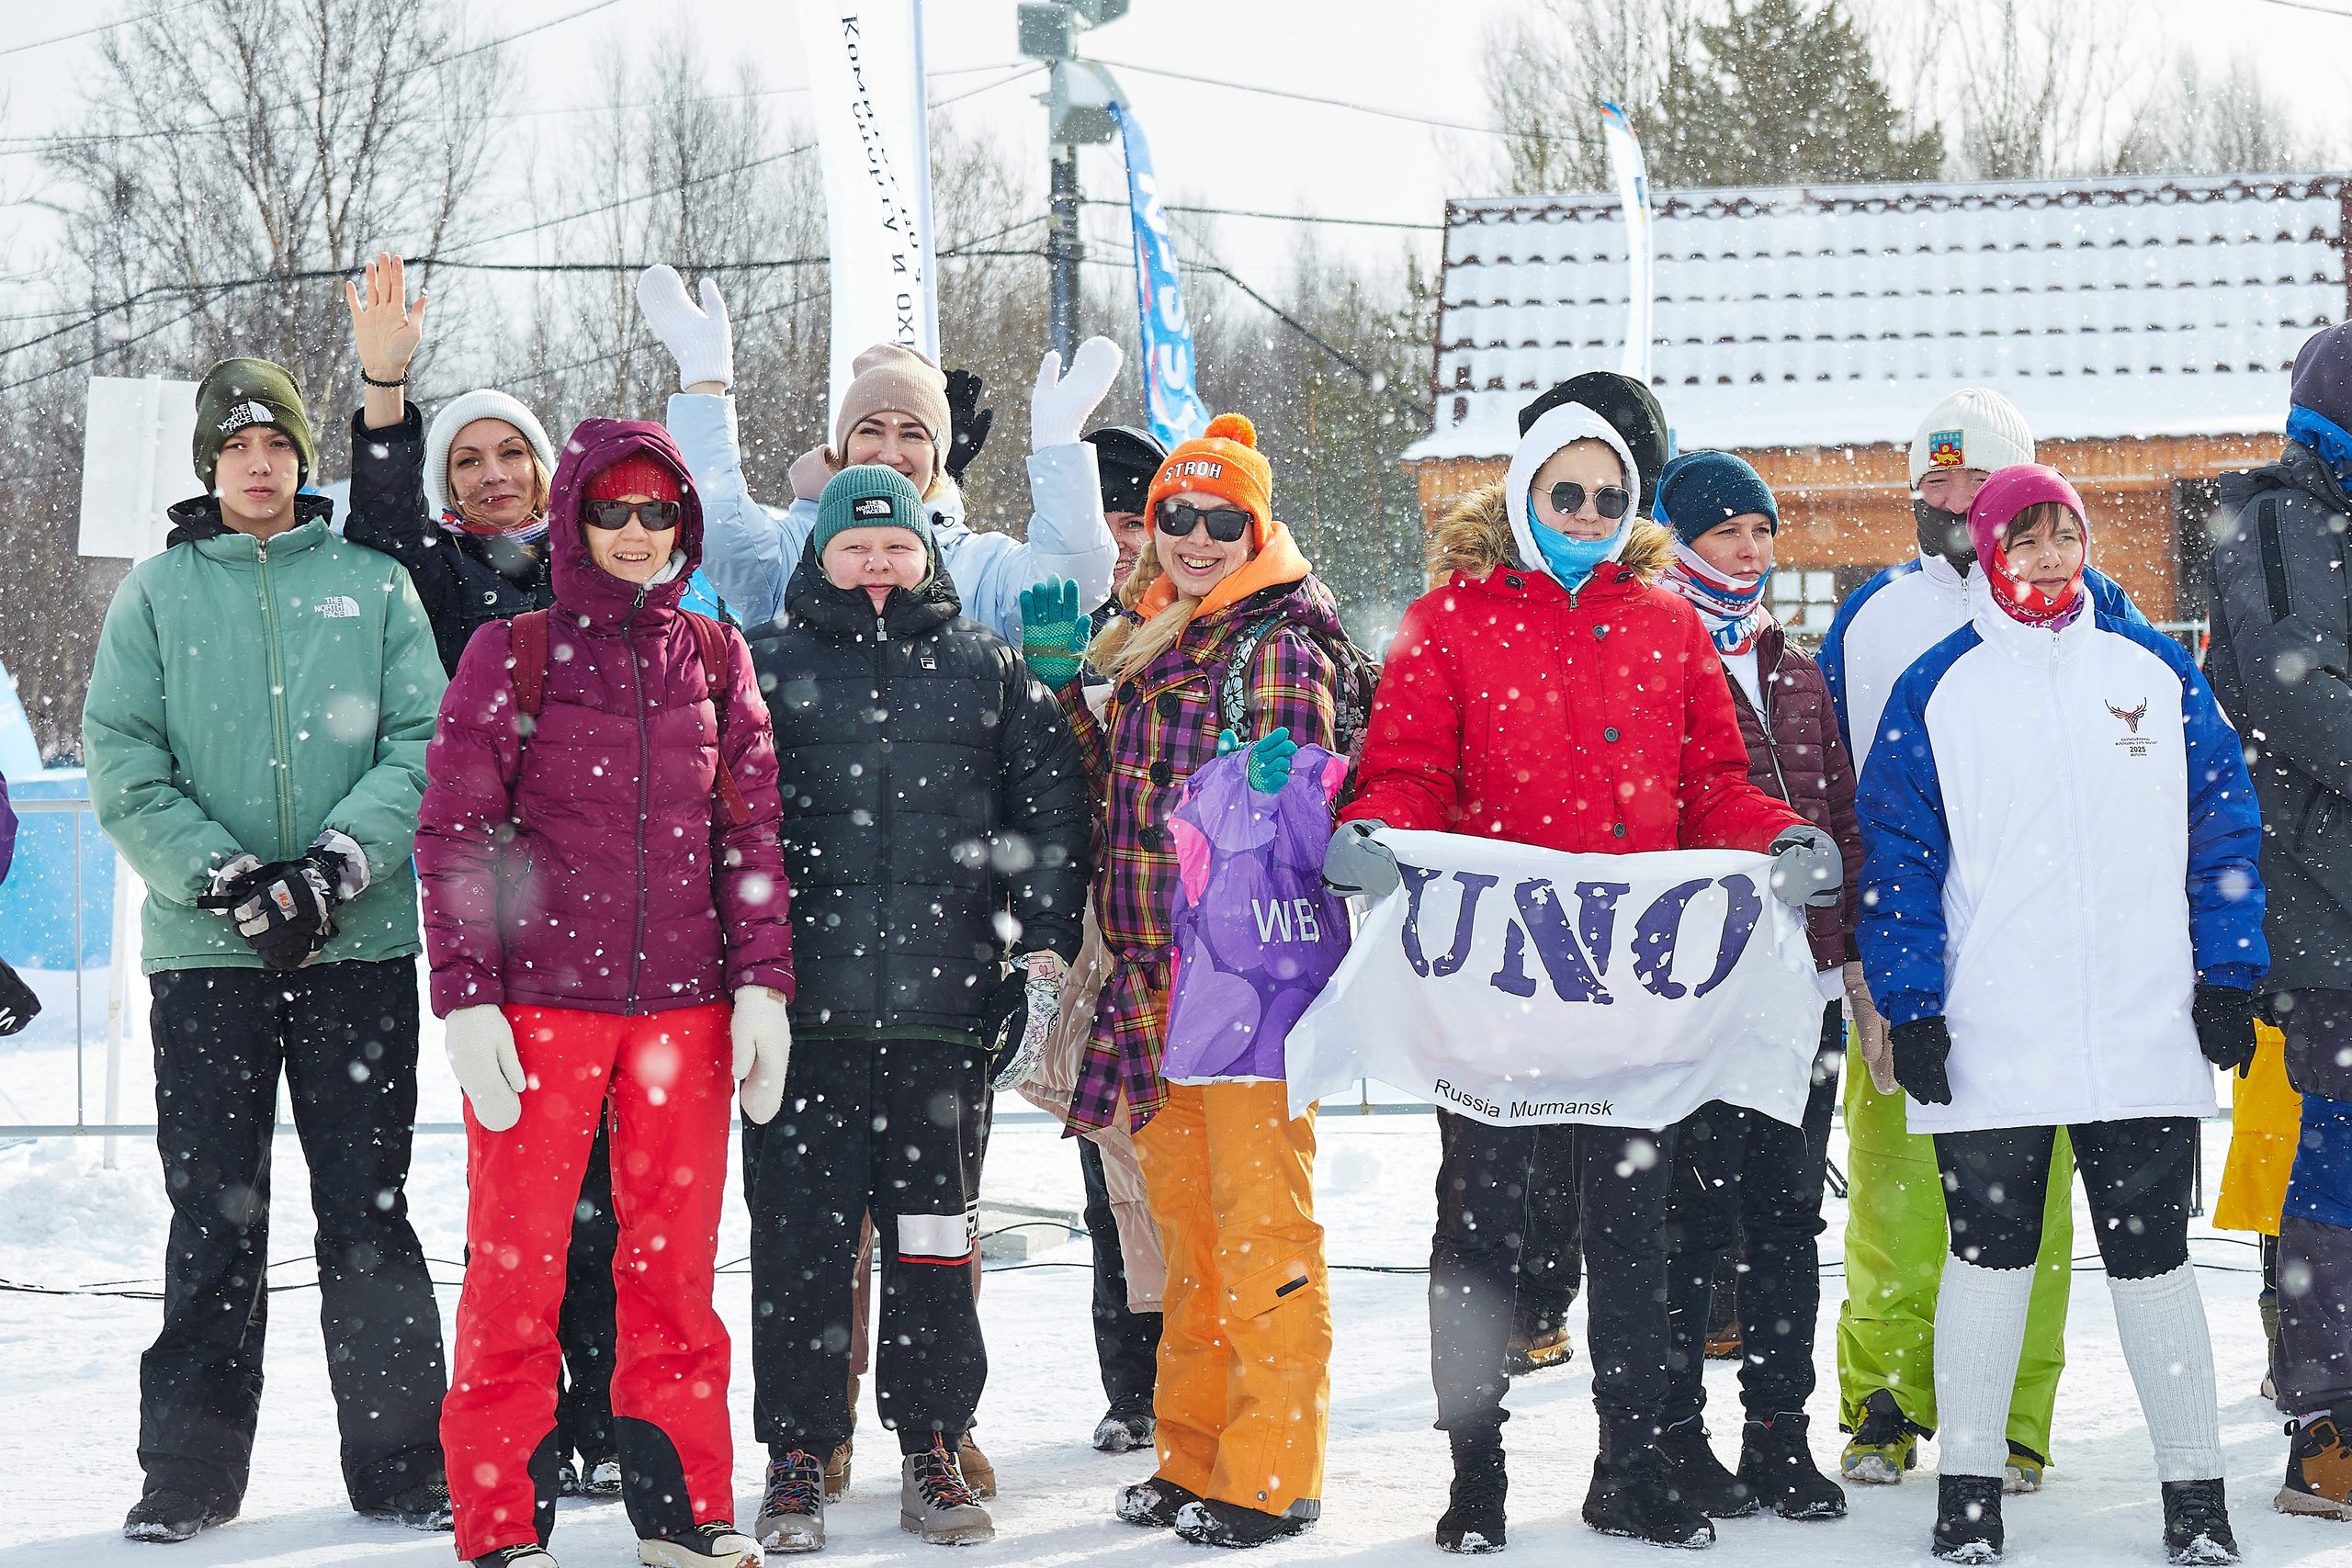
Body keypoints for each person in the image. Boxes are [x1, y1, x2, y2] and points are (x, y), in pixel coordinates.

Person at [1322, 389, 1834, 1553]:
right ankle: (1477, 1470)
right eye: (1567, 494)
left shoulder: (1665, 628)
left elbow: (1714, 785)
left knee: (1635, 1233)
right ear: (1523, 495)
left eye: (1609, 499)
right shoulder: (1447, 622)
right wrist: (1376, 832)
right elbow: (1407, 770)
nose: (1589, 513)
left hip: (1627, 989)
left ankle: (1631, 1462)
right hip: (1495, 983)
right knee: (1483, 1229)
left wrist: (1773, 838)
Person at [1858, 464, 2263, 1564]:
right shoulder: (1937, 687)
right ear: (1984, 550)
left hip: (2141, 1025)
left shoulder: (2153, 672)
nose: (2047, 559)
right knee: (1988, 1264)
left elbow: (2222, 830)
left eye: (2064, 538)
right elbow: (1897, 862)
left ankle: (2195, 1501)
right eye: (2023, 540)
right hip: (1996, 1030)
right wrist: (1915, 1006)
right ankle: (1969, 1496)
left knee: (2153, 1264)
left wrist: (2228, 974)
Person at [82, 358, 454, 1544]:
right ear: (209, 463)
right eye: (237, 445)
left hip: (357, 946)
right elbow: (123, 760)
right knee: (214, 1213)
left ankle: (401, 1458)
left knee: (367, 1210)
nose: (259, 462)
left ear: (304, 458)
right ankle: (187, 1468)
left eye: (278, 443)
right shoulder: (154, 595)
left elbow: (422, 738)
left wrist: (338, 863)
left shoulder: (374, 584)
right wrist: (233, 878)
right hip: (208, 956)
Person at [419, 417, 793, 1568]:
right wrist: (467, 991)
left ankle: (683, 1511)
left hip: (682, 1008)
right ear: (574, 516)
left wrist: (762, 987)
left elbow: (752, 834)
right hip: (543, 1009)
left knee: (673, 1271)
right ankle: (497, 1521)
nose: (636, 534)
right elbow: (457, 831)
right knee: (515, 1268)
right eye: (612, 510)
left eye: (658, 513)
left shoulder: (717, 658)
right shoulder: (511, 652)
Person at [740, 464, 1089, 1554]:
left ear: (927, 555)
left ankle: (934, 1444)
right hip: (804, 1024)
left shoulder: (985, 672)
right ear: (821, 556)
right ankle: (799, 1454)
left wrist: (1038, 949)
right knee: (799, 1248)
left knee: (935, 1247)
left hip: (943, 1019)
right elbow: (724, 826)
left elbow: (1050, 810)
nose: (876, 564)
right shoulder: (764, 667)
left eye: (895, 547)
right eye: (855, 546)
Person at [1016, 412, 1344, 1549]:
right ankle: (1193, 1456)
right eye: (1177, 519)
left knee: (1262, 1238)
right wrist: (1069, 691)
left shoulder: (1276, 641)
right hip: (1153, 983)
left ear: (1253, 528)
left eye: (1221, 521)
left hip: (1244, 987)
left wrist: (1271, 776)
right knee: (1192, 1245)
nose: (1197, 538)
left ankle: (1270, 1471)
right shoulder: (1158, 633)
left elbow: (1288, 824)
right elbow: (1123, 797)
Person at [342, 251, 636, 1501]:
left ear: (546, 467)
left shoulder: (601, 566)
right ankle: (529, 1411)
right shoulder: (434, 581)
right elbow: (380, 517)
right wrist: (389, 392)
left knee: (620, 1184)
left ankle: (611, 1409)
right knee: (525, 1177)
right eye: (469, 461)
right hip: (494, 918)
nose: (493, 474)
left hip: (618, 908)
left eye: (508, 452)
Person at [1816, 388, 2148, 1491]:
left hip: (2044, 960)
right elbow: (1829, 788)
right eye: (1933, 483)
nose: (1952, 502)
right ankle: (1884, 1402)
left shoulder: (2095, 603)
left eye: (1972, 480)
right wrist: (1860, 957)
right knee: (1895, 1192)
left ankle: (2013, 1414)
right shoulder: (1870, 616)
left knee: (2030, 1208)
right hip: (1907, 953)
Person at [1642, 451, 1862, 1524]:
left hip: (1804, 988)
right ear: (1679, 539)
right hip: (1700, 988)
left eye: (1762, 533)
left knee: (1784, 1217)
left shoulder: (1794, 664)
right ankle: (1677, 1436)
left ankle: (1780, 1433)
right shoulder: (1652, 650)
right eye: (1727, 532)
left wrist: (1851, 953)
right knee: (1695, 1216)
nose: (1749, 552)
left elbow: (1844, 812)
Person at [635, 264, 1122, 640]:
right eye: (870, 431)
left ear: (939, 454)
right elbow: (716, 523)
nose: (890, 452)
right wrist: (704, 386)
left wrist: (1060, 446)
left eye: (913, 434)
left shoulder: (984, 565)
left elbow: (1075, 579)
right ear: (843, 447)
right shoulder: (790, 551)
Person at [2208, 320, 2352, 1519]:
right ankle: (2326, 1420)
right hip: (2324, 906)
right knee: (2341, 1155)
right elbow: (2308, 698)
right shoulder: (2280, 519)